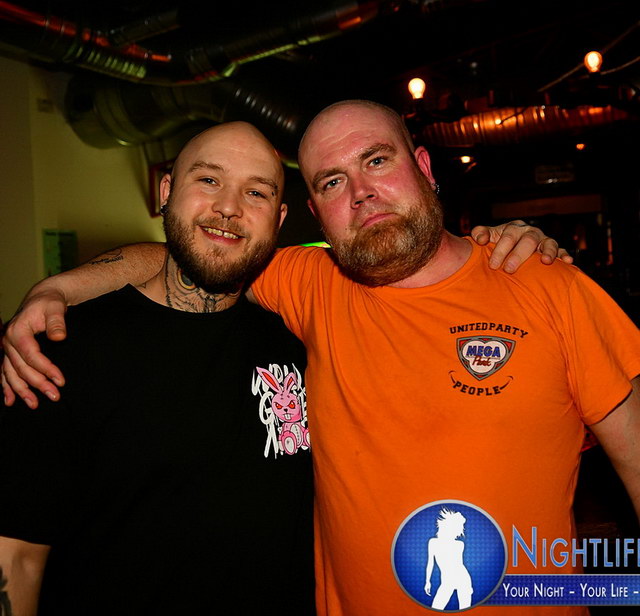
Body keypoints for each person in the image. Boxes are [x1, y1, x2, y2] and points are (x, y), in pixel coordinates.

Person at [2, 101, 625, 616]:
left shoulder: (544, 285)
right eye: (331, 181)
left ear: (424, 167)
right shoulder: (307, 287)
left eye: (377, 160)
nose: (361, 193)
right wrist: (57, 289)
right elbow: (196, 250)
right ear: (312, 213)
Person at [0, 121, 316, 615]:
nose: (229, 207)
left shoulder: (300, 339)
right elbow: (16, 559)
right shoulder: (63, 350)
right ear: (166, 192)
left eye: (256, 192)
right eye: (208, 179)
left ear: (278, 219)